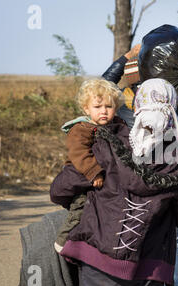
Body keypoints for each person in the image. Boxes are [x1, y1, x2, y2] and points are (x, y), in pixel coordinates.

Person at [50, 78, 178, 286]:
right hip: (150, 270)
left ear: (137, 106)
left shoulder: (104, 143)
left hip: (97, 261)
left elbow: (58, 190)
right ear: (172, 109)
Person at [53, 78, 125, 253]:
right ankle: (63, 241)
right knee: (81, 207)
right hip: (84, 176)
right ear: (86, 108)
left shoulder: (119, 125)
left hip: (109, 177)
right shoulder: (82, 128)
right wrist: (94, 173)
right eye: (97, 107)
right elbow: (79, 153)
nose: (104, 112)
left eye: (108, 107)